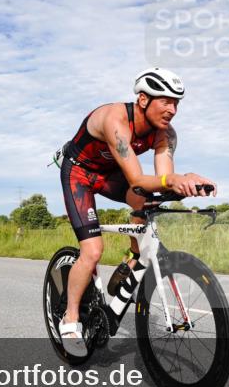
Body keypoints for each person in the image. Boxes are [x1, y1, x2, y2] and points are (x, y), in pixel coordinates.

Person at [56, 67, 216, 356]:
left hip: (109, 175)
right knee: (92, 252)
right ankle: (70, 318)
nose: (173, 109)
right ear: (143, 99)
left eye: (177, 103)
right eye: (166, 101)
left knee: (148, 200)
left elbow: (162, 180)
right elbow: (138, 180)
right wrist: (174, 180)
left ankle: (132, 258)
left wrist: (187, 182)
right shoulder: (115, 119)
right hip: (78, 174)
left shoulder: (165, 135)